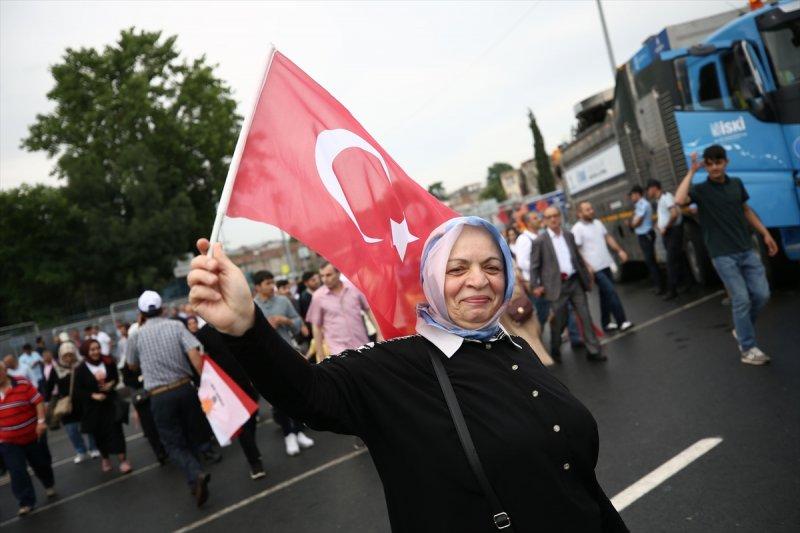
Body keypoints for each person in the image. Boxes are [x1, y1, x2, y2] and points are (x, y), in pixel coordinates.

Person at [187, 218, 627, 532]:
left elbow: (578, 480)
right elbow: (311, 393)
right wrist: (246, 327)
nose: (478, 280)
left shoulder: (514, 347)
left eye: (492, 267)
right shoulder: (397, 367)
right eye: (457, 268)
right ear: (432, 279)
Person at [674, 145, 777, 365]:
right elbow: (679, 200)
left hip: (746, 250)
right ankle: (747, 349)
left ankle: (741, 330)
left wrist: (765, 233)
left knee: (762, 295)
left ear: (726, 162)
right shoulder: (701, 190)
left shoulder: (736, 184)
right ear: (705, 165)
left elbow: (746, 210)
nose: (714, 167)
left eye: (718, 162)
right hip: (722, 254)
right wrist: (691, 171)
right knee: (741, 299)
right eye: (709, 164)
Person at [126, 290, 211, 506]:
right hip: (184, 388)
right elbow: (195, 355)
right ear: (163, 309)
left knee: (172, 442)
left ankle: (195, 473)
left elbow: (131, 365)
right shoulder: (176, 326)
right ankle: (195, 481)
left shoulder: (136, 335)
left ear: (141, 313)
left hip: (159, 395)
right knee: (191, 436)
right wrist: (206, 383)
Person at [252, 270, 315, 456]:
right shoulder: (251, 307)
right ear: (257, 287)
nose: (272, 286)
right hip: (265, 359)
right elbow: (249, 336)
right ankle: (288, 434)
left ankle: (299, 431)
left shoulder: (283, 301)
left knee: (296, 393)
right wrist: (265, 327)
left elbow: (298, 324)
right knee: (279, 397)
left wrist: (285, 320)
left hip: (288, 353)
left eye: (272, 282)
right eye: (267, 283)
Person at [530, 206, 606, 362]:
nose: (553, 219)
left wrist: (586, 277)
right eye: (549, 217)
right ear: (545, 220)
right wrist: (535, 286)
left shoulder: (569, 235)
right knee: (560, 321)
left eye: (555, 215)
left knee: (585, 316)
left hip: (575, 282)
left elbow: (577, 258)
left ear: (560, 217)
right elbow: (534, 266)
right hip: (556, 287)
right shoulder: (540, 241)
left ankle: (594, 350)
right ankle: (555, 348)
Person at [194, 324, 266, 480]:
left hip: (246, 378)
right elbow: (197, 357)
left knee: (252, 415)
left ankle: (252, 451)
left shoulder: (231, 322)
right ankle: (254, 462)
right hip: (225, 385)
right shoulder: (203, 333)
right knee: (241, 423)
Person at [0, 361, 56, 516]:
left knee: (41, 464)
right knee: (17, 471)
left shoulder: (21, 382)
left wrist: (41, 422)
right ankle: (26, 502)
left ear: (5, 370)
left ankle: (48, 483)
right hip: (8, 441)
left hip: (33, 434)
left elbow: (38, 401)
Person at [572, 201, 633, 333]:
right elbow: (576, 250)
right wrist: (587, 267)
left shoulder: (598, 223)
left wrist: (620, 251)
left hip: (606, 263)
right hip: (594, 269)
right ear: (579, 213)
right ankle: (622, 321)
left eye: (591, 208)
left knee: (605, 294)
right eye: (587, 210)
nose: (591, 211)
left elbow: (608, 237)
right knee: (611, 291)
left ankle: (606, 323)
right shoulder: (577, 229)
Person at [73, 339, 132, 474]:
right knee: (99, 435)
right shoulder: (80, 369)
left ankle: (123, 460)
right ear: (86, 352)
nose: (96, 352)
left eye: (97, 348)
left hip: (110, 403)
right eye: (92, 349)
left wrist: (111, 384)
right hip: (94, 408)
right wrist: (93, 395)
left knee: (117, 432)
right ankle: (105, 458)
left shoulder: (108, 362)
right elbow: (78, 391)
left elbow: (116, 378)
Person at [306, 263, 383, 362]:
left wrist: (380, 333)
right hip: (338, 352)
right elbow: (316, 326)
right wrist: (320, 354)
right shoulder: (318, 297)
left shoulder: (354, 287)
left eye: (328, 275)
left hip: (362, 345)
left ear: (338, 273)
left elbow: (369, 310)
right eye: (322, 276)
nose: (324, 279)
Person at [46, 342, 100, 462]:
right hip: (67, 405)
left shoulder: (81, 366)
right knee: (72, 431)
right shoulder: (56, 369)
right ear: (61, 356)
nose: (69, 358)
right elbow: (49, 386)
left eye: (71, 355)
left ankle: (93, 448)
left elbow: (89, 381)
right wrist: (47, 401)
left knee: (89, 427)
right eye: (65, 356)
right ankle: (80, 451)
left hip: (83, 402)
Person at [647, 179, 687, 300]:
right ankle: (686, 284)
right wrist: (659, 225)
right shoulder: (659, 200)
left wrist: (666, 227)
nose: (648, 192)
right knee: (679, 259)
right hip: (668, 233)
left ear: (654, 188)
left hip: (672, 232)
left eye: (648, 189)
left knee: (670, 262)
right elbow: (664, 215)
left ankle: (672, 290)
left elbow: (674, 213)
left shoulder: (666, 197)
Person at [628, 185, 665, 295]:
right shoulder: (639, 205)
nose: (631, 198)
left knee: (651, 261)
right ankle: (658, 284)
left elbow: (637, 222)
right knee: (650, 261)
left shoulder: (643, 204)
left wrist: (630, 224)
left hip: (646, 235)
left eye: (632, 195)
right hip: (643, 235)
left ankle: (660, 286)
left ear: (637, 194)